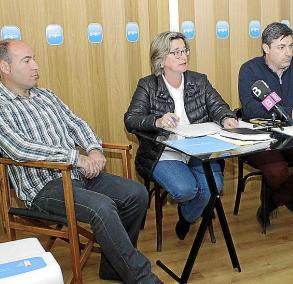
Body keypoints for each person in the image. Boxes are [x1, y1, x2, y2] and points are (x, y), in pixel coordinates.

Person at [0, 40, 162, 284]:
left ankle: (113, 267)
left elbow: (76, 124)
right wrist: (76, 158)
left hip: (77, 175)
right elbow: (20, 148)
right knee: (102, 207)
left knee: (137, 194)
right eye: (27, 60)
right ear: (5, 67)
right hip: (44, 188)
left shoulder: (46, 95)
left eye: (34, 58)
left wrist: (94, 149)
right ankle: (142, 278)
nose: (36, 65)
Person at [124, 31, 238, 240]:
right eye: (175, 53)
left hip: (199, 149)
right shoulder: (148, 85)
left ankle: (186, 217)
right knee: (186, 190)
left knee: (214, 188)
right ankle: (193, 210)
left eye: (184, 51)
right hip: (165, 151)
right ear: (160, 59)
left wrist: (226, 118)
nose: (182, 56)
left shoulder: (199, 80)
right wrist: (156, 121)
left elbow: (218, 106)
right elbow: (131, 119)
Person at [238, 22, 293, 228]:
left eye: (291, 46)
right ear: (266, 48)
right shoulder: (249, 70)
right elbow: (251, 109)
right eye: (281, 47)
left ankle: (273, 201)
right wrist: (289, 112)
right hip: (261, 138)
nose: (288, 53)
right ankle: (288, 196)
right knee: (277, 170)